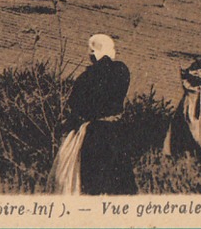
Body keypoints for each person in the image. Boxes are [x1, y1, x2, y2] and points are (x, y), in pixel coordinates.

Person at [51, 34, 137, 195]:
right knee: (120, 178)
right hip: (116, 130)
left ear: (93, 54)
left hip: (92, 133)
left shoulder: (85, 78)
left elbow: (76, 105)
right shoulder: (121, 71)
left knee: (89, 180)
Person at [163, 58, 201, 159]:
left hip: (200, 112)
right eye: (197, 73)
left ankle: (200, 154)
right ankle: (200, 154)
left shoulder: (198, 89)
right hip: (197, 111)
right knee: (195, 132)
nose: (199, 75)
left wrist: (192, 73)